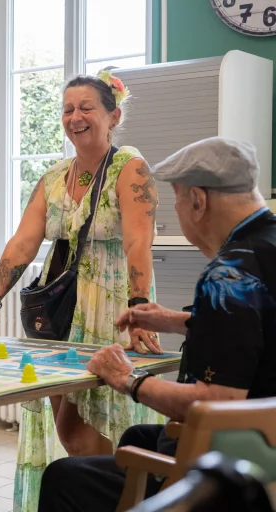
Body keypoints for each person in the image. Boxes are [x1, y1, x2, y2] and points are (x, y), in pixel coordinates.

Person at [0, 69, 164, 510]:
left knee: (110, 436)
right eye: (68, 108)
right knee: (72, 433)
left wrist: (141, 306)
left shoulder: (130, 167)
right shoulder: (53, 178)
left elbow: (137, 242)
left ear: (114, 115)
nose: (75, 117)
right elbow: (22, 244)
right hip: (59, 316)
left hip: (113, 310)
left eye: (87, 107)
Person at [38, 136, 276, 511]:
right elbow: (259, 327)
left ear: (197, 200)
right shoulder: (265, 247)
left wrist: (128, 379)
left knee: (64, 476)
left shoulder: (229, 275)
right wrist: (176, 321)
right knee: (136, 437)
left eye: (176, 200)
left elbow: (217, 402)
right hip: (265, 442)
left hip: (232, 471)